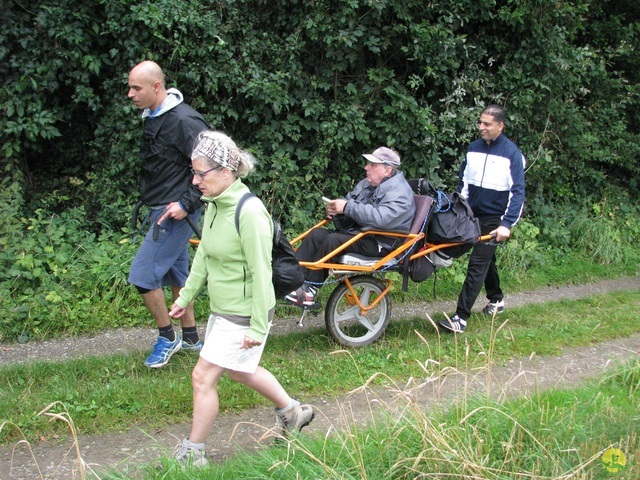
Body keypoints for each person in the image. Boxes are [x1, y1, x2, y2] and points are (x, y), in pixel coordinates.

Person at [169, 131, 315, 466]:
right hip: (225, 309)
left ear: (225, 171)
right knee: (240, 371)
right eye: (193, 173)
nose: (195, 181)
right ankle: (293, 413)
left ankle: (194, 454)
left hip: (244, 314)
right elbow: (205, 254)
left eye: (200, 173)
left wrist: (258, 325)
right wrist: (186, 296)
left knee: (202, 377)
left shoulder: (249, 212)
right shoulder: (215, 206)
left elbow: (262, 272)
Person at [127, 60, 210, 367]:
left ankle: (167, 336)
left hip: (174, 215)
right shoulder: (154, 116)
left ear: (156, 87)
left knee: (143, 275)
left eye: (136, 88)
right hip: (159, 209)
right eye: (130, 87)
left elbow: (212, 164)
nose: (130, 94)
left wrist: (186, 203)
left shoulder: (184, 121)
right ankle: (189, 338)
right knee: (178, 275)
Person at [286, 147, 416, 306]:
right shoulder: (367, 184)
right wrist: (336, 212)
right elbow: (352, 205)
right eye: (368, 163)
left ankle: (310, 290)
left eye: (373, 165)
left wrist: (346, 207)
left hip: (382, 242)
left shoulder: (400, 192)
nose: (366, 168)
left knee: (333, 240)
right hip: (363, 234)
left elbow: (380, 218)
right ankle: (292, 281)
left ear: (388, 170)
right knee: (317, 234)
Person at [438, 104, 526, 334]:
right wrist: (458, 207)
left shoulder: (512, 154)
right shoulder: (473, 148)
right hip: (470, 214)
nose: (481, 127)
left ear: (500, 125)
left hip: (494, 219)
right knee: (486, 260)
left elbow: (518, 193)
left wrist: (506, 224)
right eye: (480, 122)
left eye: (486, 124)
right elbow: (464, 182)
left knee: (477, 264)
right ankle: (496, 299)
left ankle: (460, 317)